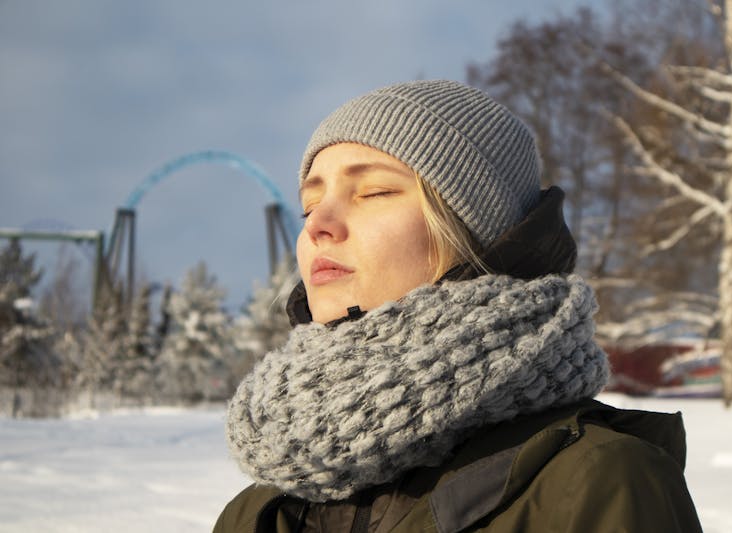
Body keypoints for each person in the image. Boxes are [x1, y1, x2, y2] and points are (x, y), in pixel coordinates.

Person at [215, 80, 702, 532]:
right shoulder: (258, 511)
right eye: (308, 204)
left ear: (478, 233)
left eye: (374, 191)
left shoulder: (594, 482)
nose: (318, 223)